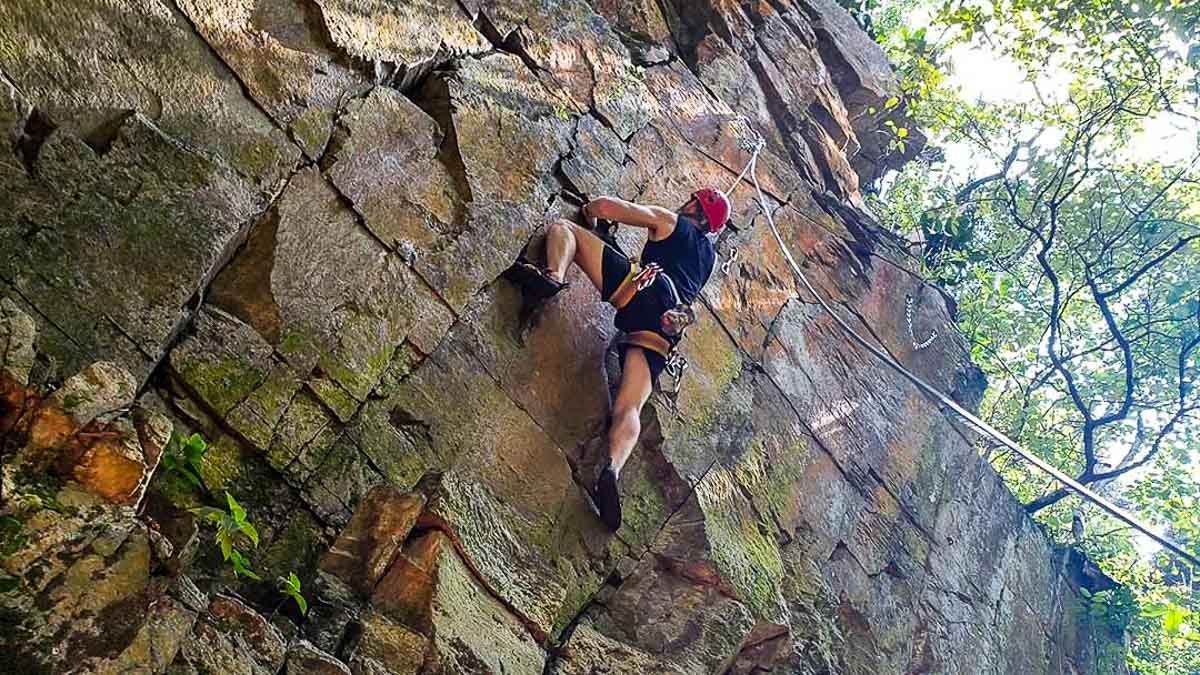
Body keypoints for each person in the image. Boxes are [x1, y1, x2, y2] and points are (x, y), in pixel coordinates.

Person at [507, 188, 731, 531]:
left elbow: (612, 207)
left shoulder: (671, 222)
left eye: (691, 202)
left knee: (564, 230)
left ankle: (552, 276)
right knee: (630, 407)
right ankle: (612, 469)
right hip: (665, 329)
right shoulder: (708, 260)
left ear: (694, 208)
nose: (684, 203)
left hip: (644, 288)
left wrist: (591, 212)